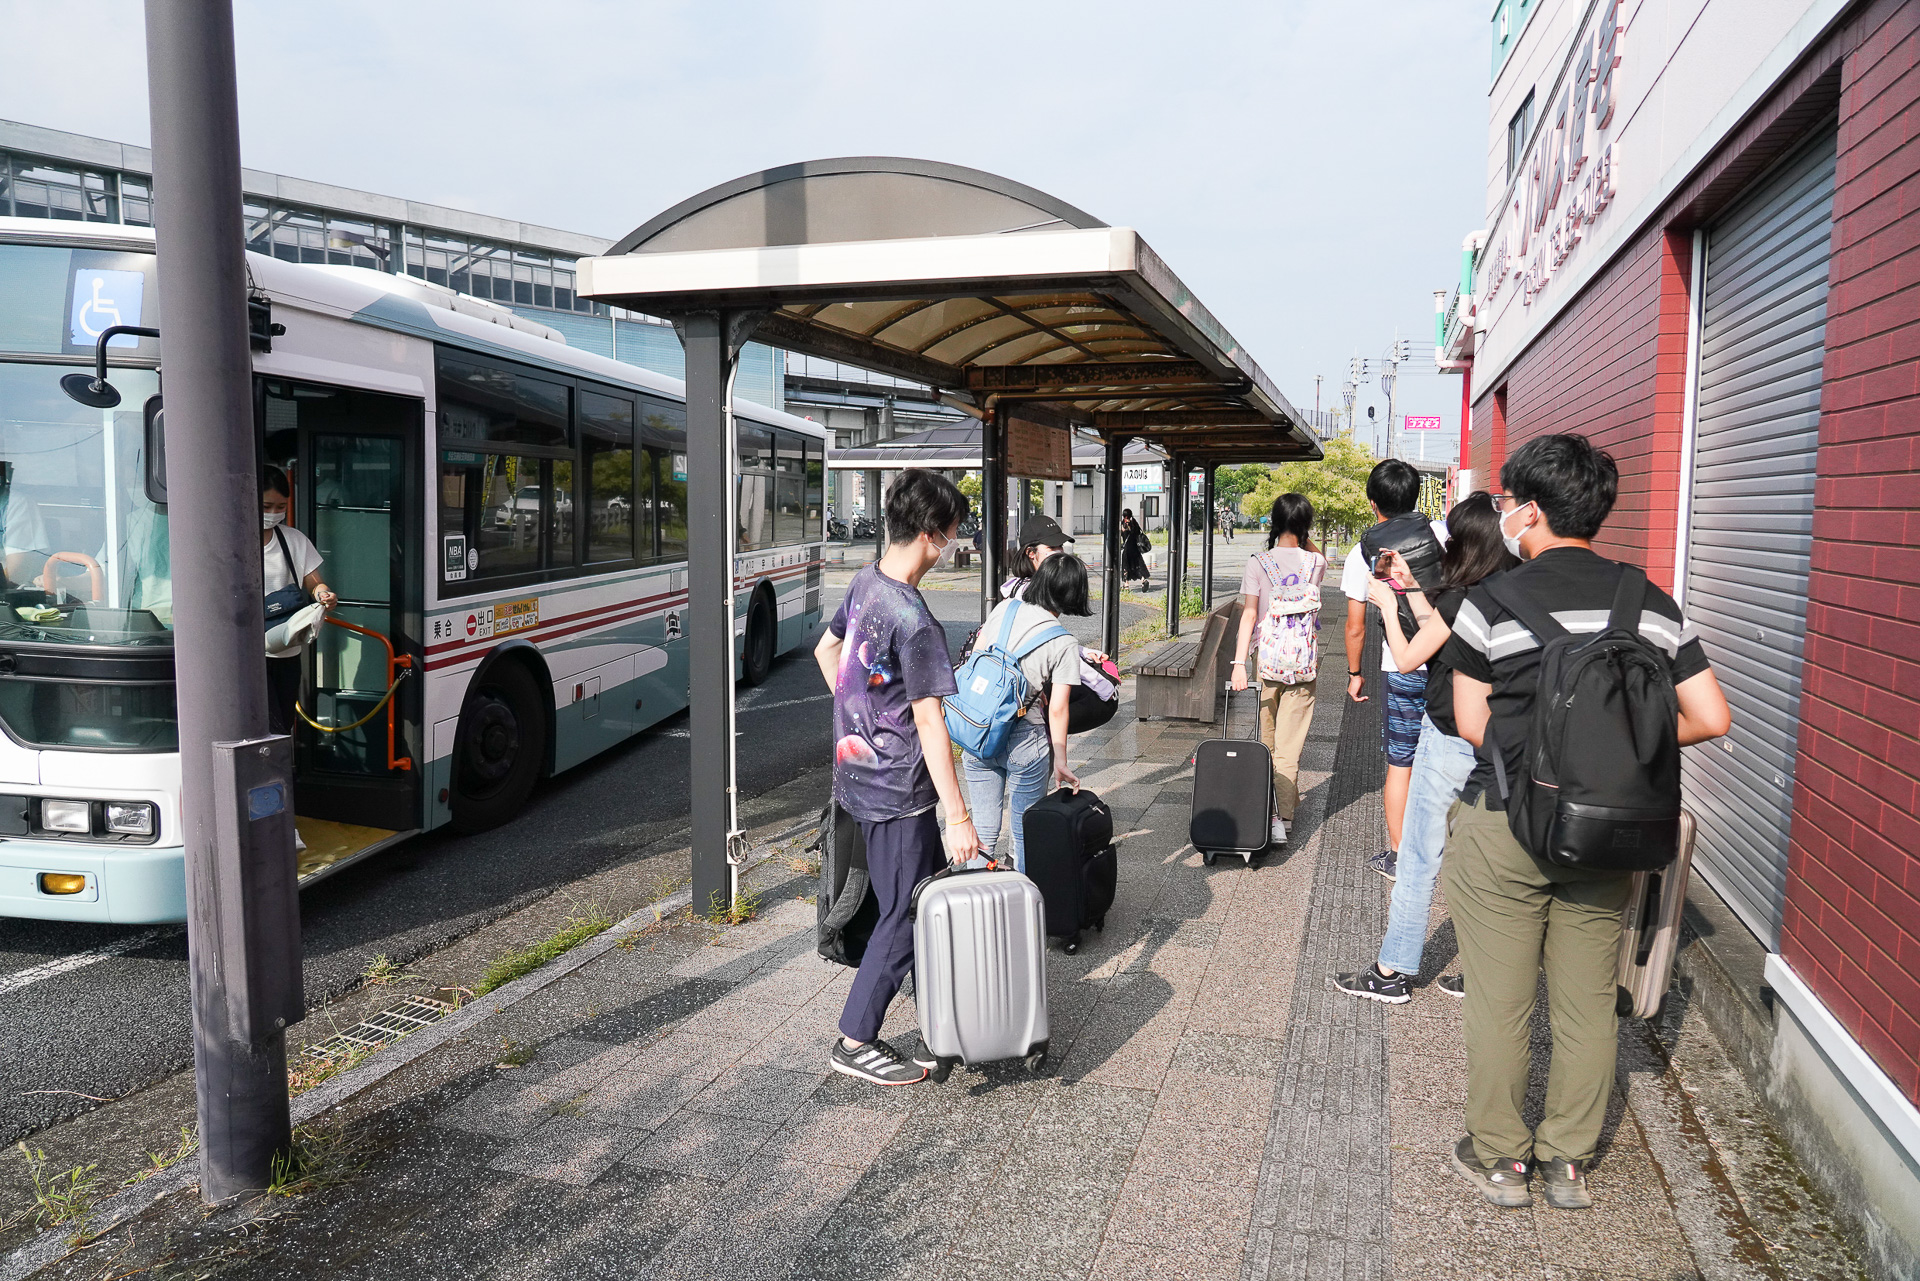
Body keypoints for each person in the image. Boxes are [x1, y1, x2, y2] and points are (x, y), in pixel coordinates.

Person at [1441, 434, 1729, 1211]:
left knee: (1502, 1001)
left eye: (1506, 504)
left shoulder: (1491, 602)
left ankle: (1502, 1159)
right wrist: (1611, 758)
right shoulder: (1650, 603)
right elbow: (1709, 714)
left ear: (1530, 511)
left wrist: (1543, 759)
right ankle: (1568, 1160)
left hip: (1507, 821)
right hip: (1606, 830)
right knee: (1585, 999)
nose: (1502, 515)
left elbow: (1470, 720)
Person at [813, 468, 982, 1086]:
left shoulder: (864, 583)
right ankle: (855, 1037)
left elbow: (827, 654)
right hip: (898, 793)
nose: (956, 547)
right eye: (956, 535)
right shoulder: (915, 619)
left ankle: (942, 1012)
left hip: (854, 777)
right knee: (905, 912)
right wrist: (959, 817)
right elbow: (932, 725)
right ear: (934, 536)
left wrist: (858, 713)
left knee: (914, 895)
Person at [1333, 492, 1515, 1005]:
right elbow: (1440, 628)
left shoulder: (1467, 599)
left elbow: (1411, 656)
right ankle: (1486, 971)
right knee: (1484, 858)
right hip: (1503, 740)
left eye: (1455, 538)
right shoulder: (1508, 592)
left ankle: (1391, 972)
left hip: (1452, 736)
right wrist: (1410, 587)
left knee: (1417, 857)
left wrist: (1388, 604)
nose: (1448, 545)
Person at [1341, 459, 1449, 881]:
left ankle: (1400, 855)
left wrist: (1355, 673)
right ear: (1416, 497)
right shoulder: (1441, 533)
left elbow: (1355, 626)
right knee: (1453, 753)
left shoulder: (1361, 552)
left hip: (1402, 664)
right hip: (1450, 660)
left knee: (1401, 762)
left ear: (1372, 503)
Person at [959, 552, 1088, 872]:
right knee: (1023, 834)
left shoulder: (1004, 608)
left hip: (979, 732)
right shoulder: (1063, 643)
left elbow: (975, 664)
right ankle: (1020, 912)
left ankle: (974, 910)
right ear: (1072, 594)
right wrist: (1061, 762)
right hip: (1024, 744)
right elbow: (1057, 711)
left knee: (984, 833)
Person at [1228, 492, 1327, 846]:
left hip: (1267, 662)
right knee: (1290, 745)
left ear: (1274, 522)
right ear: (1304, 525)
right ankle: (1283, 819)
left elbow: (1249, 615)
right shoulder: (1314, 563)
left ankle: (1264, 811)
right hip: (1303, 665)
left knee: (1266, 741)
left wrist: (1239, 664)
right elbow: (1318, 556)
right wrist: (1302, 536)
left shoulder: (1258, 562)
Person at [260, 466, 337, 736]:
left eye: (280, 507)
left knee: (282, 721)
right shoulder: (232, 540)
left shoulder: (293, 539)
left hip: (287, 648)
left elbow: (313, 581)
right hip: (248, 654)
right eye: (267, 505)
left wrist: (322, 594)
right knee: (265, 725)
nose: (273, 514)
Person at [1000, 513, 1073, 602]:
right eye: (1052, 547)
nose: (1059, 552)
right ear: (1031, 552)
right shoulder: (1028, 592)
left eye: (1060, 546)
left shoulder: (1043, 584)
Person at [1118, 509, 1149, 588]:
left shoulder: (1122, 524)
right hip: (1135, 549)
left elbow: (1121, 534)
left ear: (1124, 516)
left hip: (1127, 550)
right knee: (1138, 565)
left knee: (1126, 566)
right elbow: (1138, 533)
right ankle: (1143, 580)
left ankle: (1126, 584)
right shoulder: (1134, 524)